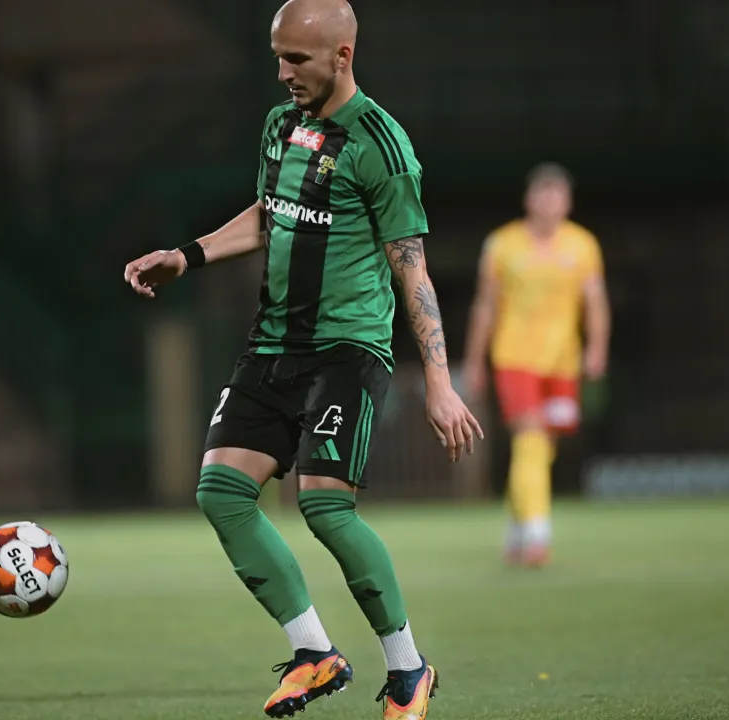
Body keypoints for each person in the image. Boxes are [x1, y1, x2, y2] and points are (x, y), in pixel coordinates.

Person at [123, 1, 481, 716]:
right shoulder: (281, 125)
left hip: (347, 350)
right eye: (278, 57)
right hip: (273, 343)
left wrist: (441, 383)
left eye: (297, 59)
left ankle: (408, 671)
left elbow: (411, 268)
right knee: (221, 493)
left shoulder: (381, 144)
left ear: (342, 56)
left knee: (323, 505)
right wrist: (188, 256)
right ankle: (315, 654)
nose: (283, 72)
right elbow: (269, 213)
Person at [463, 162, 611, 568]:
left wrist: (597, 347)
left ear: (568, 202)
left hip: (562, 361)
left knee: (543, 447)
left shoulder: (583, 245)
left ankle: (516, 525)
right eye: (542, 194)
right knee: (530, 434)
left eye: (557, 195)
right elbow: (485, 305)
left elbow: (595, 302)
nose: (549, 203)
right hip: (514, 356)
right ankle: (537, 532)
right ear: (529, 199)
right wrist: (475, 360)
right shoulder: (502, 244)